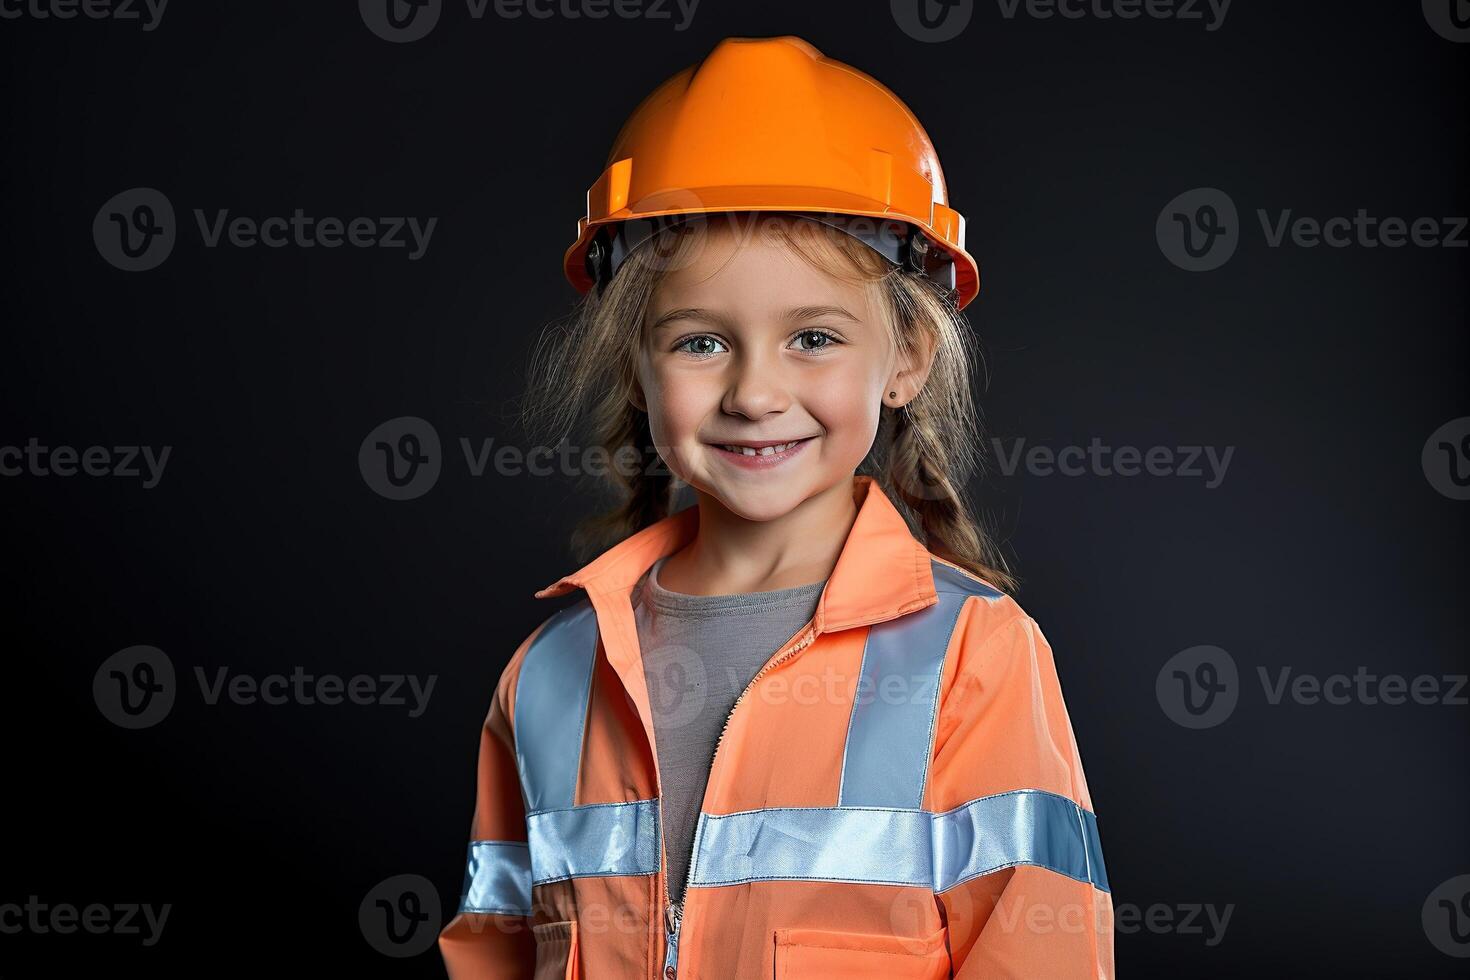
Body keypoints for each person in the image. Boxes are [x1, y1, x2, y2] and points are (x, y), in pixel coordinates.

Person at [439, 35, 1113, 979]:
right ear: (636, 363)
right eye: (701, 343)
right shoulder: (552, 675)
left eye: (813, 337)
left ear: (907, 359)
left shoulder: (975, 657)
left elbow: (1039, 946)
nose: (756, 393)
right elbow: (495, 951)